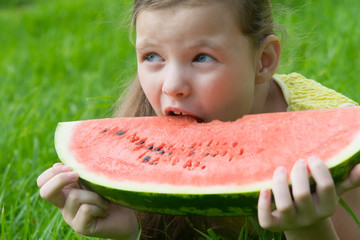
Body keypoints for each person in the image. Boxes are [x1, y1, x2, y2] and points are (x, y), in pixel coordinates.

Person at [37, 0, 360, 239]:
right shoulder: (146, 129)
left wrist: (308, 227)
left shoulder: (331, 133)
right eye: (153, 57)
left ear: (263, 60)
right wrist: (134, 228)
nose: (172, 85)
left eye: (201, 57)